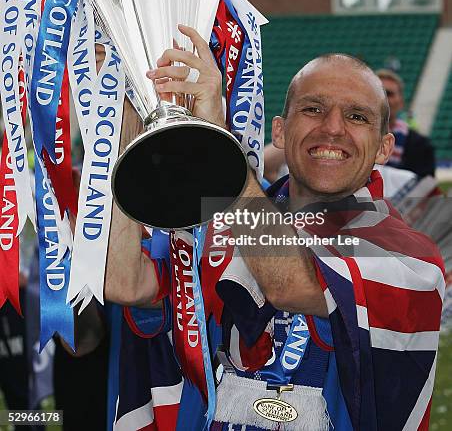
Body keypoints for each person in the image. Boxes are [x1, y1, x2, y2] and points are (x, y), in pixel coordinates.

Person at [96, 29, 443, 430]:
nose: (333, 128)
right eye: (313, 109)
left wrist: (218, 141)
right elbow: (125, 283)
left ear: (384, 147)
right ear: (278, 131)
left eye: (357, 116)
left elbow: (291, 285)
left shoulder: (410, 255)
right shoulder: (226, 219)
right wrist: (122, 121)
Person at [376, 69, 436, 178]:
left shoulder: (421, 146)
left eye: (389, 94)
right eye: (377, 92)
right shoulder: (350, 138)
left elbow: (425, 189)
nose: (383, 98)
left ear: (401, 103)